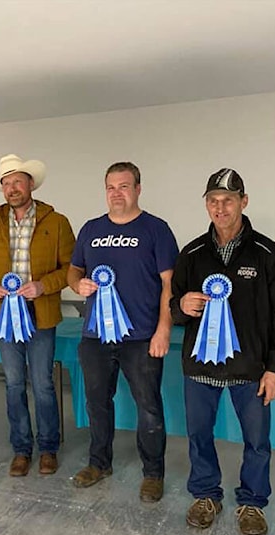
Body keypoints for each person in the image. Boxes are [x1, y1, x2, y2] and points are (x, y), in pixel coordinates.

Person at [170, 168, 275, 535]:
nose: (220, 207)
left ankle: (252, 503)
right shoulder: (192, 253)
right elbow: (173, 306)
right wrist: (183, 306)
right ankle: (206, 494)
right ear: (206, 204)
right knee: (199, 435)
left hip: (251, 368)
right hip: (199, 366)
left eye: (228, 200)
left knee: (257, 441)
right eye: (213, 200)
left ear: (244, 201)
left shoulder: (267, 253)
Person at [68, 161, 179, 502]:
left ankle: (153, 473)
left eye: (124, 186)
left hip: (141, 337)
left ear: (138, 189)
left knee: (148, 407)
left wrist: (163, 330)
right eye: (111, 187)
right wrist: (79, 285)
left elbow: (169, 284)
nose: (117, 193)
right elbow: (73, 271)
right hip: (95, 336)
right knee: (97, 403)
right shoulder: (90, 229)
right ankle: (99, 463)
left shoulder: (156, 229)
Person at [0, 154, 76, 477]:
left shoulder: (56, 222)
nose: (12, 188)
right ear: (1, 189)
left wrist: (44, 286)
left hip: (40, 315)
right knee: (14, 384)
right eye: (6, 183)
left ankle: (48, 449)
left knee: (43, 384)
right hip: (4, 316)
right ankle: (21, 449)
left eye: (18, 181)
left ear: (31, 184)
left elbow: (72, 268)